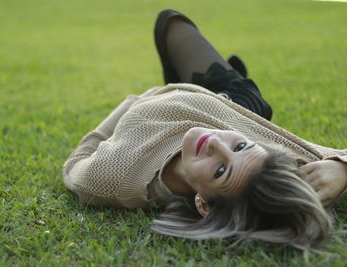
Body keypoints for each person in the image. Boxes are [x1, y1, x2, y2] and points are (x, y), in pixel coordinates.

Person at [63, 9, 347, 247]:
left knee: (170, 24)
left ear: (204, 205)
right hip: (231, 101)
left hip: (174, 97)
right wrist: (342, 167)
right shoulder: (264, 162)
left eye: (221, 170)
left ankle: (233, 79)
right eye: (240, 146)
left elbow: (74, 163)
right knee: (172, 22)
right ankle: (247, 91)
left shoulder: (114, 176)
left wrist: (137, 101)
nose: (216, 144)